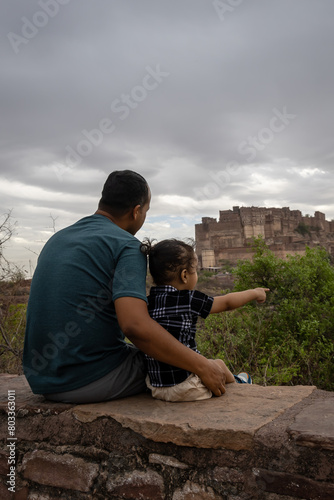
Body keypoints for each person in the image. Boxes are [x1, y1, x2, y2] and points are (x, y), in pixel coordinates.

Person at [23, 170, 228, 403]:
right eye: (146, 211)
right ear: (136, 211)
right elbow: (134, 326)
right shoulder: (127, 246)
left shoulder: (58, 239)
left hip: (42, 380)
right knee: (175, 370)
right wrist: (202, 366)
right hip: (88, 380)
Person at [141, 238, 269, 402]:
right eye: (195, 271)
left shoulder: (148, 301)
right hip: (186, 386)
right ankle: (240, 382)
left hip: (156, 387)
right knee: (218, 364)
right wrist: (255, 292)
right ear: (185, 275)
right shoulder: (188, 298)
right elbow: (227, 303)